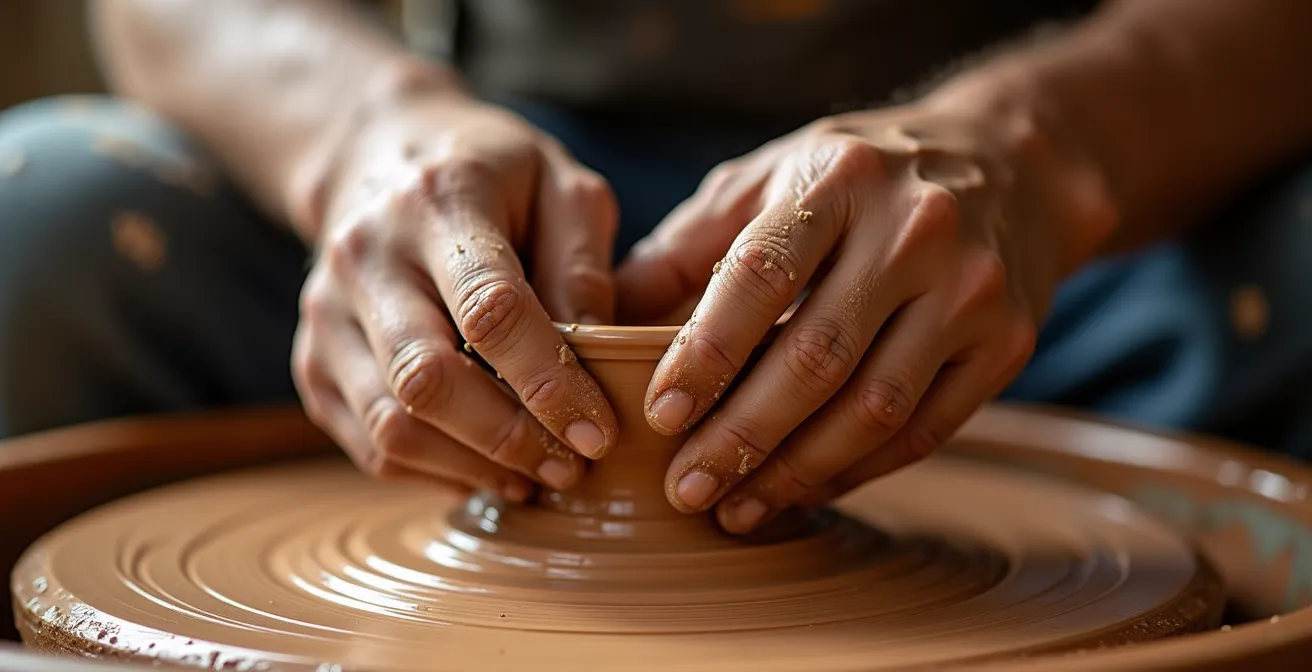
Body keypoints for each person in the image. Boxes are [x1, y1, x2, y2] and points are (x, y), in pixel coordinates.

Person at [0, 0, 1309, 534]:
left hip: (1061, 224)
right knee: (44, 211)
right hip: (516, 205)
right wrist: (366, 139)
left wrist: (1036, 150)